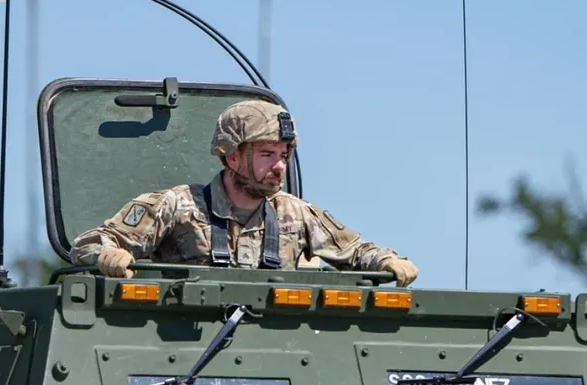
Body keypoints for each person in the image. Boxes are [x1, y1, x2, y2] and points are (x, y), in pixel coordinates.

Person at [69, 99, 419, 286]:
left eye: (284, 156)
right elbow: (88, 244)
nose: (279, 166)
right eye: (267, 154)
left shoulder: (295, 213)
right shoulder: (177, 206)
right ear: (232, 156)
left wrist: (387, 262)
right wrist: (108, 256)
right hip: (183, 351)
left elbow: (357, 251)